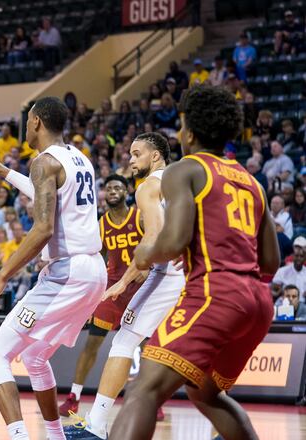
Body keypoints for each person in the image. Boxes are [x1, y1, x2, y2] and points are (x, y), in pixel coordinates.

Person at [110, 85, 280, 439]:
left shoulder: (184, 169)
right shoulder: (253, 182)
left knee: (144, 389)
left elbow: (172, 242)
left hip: (215, 293)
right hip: (259, 305)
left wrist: (143, 254)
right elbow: (270, 262)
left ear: (188, 132)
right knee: (205, 392)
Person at [0, 97, 106, 440]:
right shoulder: (80, 159)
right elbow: (52, 195)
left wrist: (3, 274)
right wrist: (6, 173)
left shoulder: (44, 161)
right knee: (33, 356)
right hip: (93, 272)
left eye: (26, 121)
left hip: (69, 273)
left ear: (35, 122)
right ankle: (55, 435)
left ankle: (19, 436)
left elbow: (43, 228)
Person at [64, 132, 185, 439]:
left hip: (168, 273)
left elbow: (153, 237)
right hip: (198, 273)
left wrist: (124, 282)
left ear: (155, 155)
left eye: (136, 153)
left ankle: (97, 426)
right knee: (196, 352)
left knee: (123, 341)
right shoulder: (182, 178)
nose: (130, 159)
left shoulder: (148, 187)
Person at [58, 174, 148, 417]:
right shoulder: (100, 224)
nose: (112, 191)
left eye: (117, 187)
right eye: (108, 188)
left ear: (127, 191)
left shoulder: (139, 216)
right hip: (112, 289)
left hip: (142, 287)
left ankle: (148, 401)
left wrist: (148, 268)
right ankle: (74, 397)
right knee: (92, 343)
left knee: (148, 347)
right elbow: (98, 257)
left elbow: (155, 243)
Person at [271, 236, 306, 301]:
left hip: (302, 305)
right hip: (285, 304)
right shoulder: (282, 271)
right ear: (292, 256)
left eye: (301, 256)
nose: (298, 259)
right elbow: (273, 290)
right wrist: (279, 292)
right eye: (296, 256)